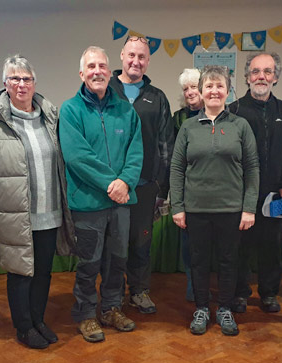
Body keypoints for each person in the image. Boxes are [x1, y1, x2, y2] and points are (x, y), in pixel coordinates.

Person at [0, 55, 75, 349]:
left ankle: (38, 320)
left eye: (26, 79)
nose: (21, 84)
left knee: (44, 271)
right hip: (15, 212)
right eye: (15, 79)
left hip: (50, 210)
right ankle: (24, 327)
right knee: (21, 272)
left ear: (34, 83)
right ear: (5, 84)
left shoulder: (50, 116)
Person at [59, 46, 143, 343]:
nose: (97, 71)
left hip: (121, 203)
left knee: (117, 261)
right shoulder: (70, 110)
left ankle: (110, 309)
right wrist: (113, 184)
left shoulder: (126, 110)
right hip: (88, 203)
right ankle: (85, 314)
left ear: (110, 72)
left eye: (102, 66)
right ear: (82, 74)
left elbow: (136, 152)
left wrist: (126, 182)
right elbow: (77, 157)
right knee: (89, 263)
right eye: (91, 66)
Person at [170, 66, 259, 336]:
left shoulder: (240, 126)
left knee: (228, 261)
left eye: (219, 86)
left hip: (231, 209)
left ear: (228, 90)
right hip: (196, 209)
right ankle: (201, 308)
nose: (214, 91)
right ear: (200, 91)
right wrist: (178, 207)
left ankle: (224, 309)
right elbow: (176, 168)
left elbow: (252, 167)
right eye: (208, 86)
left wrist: (248, 208)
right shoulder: (187, 127)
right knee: (198, 261)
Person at [229, 52, 282, 314]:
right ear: (247, 77)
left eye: (268, 71)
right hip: (242, 195)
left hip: (276, 196)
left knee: (273, 248)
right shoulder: (234, 110)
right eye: (256, 71)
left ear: (276, 77)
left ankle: (269, 293)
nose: (262, 76)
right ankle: (239, 293)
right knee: (241, 248)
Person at [109, 36, 175, 314]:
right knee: (113, 245)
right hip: (110, 186)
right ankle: (111, 297)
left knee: (141, 242)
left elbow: (166, 145)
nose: (136, 61)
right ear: (122, 55)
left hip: (145, 186)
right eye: (132, 55)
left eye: (142, 57)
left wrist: (161, 186)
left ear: (148, 61)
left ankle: (139, 291)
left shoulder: (157, 97)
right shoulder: (105, 90)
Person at [172, 68, 203, 302]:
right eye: (186, 89)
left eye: (194, 86)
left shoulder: (220, 115)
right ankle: (193, 285)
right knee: (189, 245)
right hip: (187, 190)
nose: (190, 92)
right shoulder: (178, 118)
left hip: (214, 192)